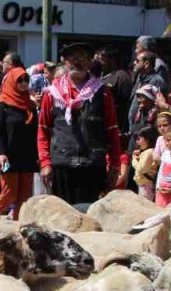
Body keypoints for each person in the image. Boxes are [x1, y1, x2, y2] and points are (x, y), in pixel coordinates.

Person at [37, 41, 121, 205]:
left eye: (82, 57)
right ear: (64, 61)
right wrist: (45, 162)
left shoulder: (102, 93)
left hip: (92, 166)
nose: (77, 62)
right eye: (72, 57)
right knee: (61, 221)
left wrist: (115, 164)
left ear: (90, 62)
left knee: (91, 222)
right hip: (61, 166)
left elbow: (112, 130)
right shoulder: (51, 94)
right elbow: (43, 130)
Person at [0, 67, 38, 222]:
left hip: (27, 156)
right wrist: (0, 153)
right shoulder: (3, 105)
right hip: (8, 156)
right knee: (10, 193)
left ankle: (18, 225)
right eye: (19, 80)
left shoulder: (30, 105)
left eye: (26, 79)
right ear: (12, 82)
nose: (23, 83)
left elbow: (35, 132)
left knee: (25, 196)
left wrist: (38, 155)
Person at [97, 46, 135, 142]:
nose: (99, 63)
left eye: (102, 60)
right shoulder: (100, 77)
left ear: (112, 60)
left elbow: (128, 104)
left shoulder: (121, 77)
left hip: (116, 124)